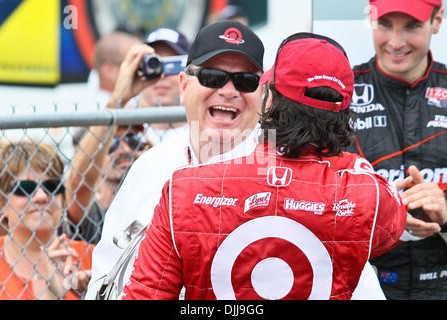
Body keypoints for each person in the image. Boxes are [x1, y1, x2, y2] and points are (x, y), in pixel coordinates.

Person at [121, 33, 410, 300]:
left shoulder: (181, 191)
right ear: (345, 114)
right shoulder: (365, 194)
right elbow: (391, 218)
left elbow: (145, 295)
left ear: (269, 98)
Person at [86, 20, 266, 299]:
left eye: (246, 81)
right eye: (212, 77)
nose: (229, 91)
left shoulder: (283, 173)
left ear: (262, 94)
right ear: (183, 86)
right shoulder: (150, 166)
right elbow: (106, 270)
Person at [348, 0, 447, 299]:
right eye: (385, 25)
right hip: (364, 287)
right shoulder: (342, 93)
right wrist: (379, 216)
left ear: (437, 20)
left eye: (412, 26)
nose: (396, 42)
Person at [0, 141, 93, 299]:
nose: (41, 197)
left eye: (51, 186)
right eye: (26, 188)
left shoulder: (93, 257)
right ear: (1, 203)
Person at [65, 125, 152, 244]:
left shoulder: (160, 199)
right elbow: (78, 183)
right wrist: (108, 115)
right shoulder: (94, 216)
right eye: (111, 143)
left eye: (133, 139)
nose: (125, 150)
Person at [136, 28, 191, 145]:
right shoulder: (125, 131)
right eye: (152, 65)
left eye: (172, 66)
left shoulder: (205, 131)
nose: (161, 75)